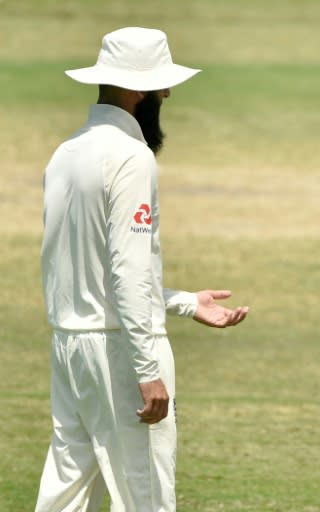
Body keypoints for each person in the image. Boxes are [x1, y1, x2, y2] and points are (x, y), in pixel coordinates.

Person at [36, 27, 249, 512]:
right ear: (138, 91)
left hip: (70, 345)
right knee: (146, 497)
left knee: (65, 494)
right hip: (121, 351)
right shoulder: (130, 157)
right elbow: (126, 270)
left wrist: (184, 302)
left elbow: (81, 265)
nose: (168, 94)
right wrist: (148, 370)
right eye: (161, 86)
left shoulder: (66, 153)